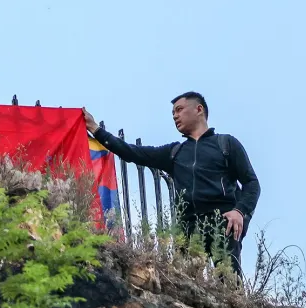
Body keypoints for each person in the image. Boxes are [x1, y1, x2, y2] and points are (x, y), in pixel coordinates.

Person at [84, 92, 260, 276]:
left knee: (230, 284)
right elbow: (132, 152)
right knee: (188, 283)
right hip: (188, 228)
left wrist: (239, 211)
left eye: (179, 109)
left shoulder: (226, 144)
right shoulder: (175, 152)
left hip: (222, 223)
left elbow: (252, 183)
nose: (175, 116)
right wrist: (95, 128)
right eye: (173, 113)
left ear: (199, 109)